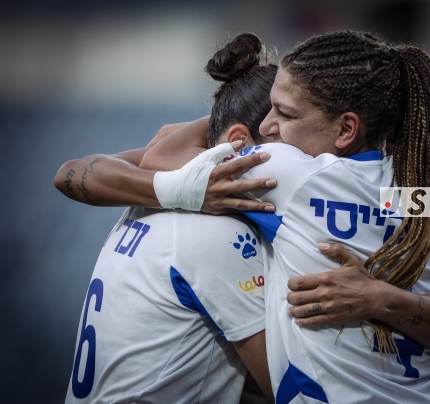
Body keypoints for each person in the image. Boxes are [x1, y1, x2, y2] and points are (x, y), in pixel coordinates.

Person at [55, 32, 430, 404]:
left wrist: (223, 124)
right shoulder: (421, 187)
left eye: (285, 113)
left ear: (345, 128)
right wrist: (384, 298)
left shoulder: (287, 173)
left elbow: (138, 158)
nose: (270, 127)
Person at [62, 33, 276, 404]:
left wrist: (223, 114)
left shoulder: (153, 189)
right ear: (241, 141)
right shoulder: (219, 231)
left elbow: (81, 169)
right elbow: (285, 388)